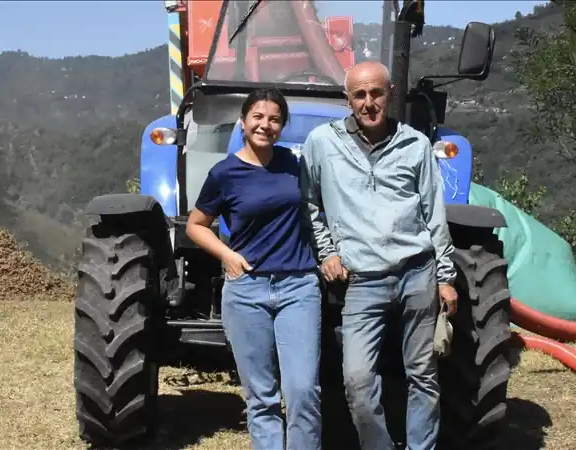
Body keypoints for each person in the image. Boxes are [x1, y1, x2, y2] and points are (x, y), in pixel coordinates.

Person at [298, 60, 458, 450]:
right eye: (360, 95)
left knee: (422, 372)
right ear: (347, 100)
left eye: (377, 93)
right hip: (363, 279)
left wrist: (446, 276)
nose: (369, 103)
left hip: (417, 272)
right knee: (357, 379)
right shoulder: (323, 143)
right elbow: (309, 204)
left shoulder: (416, 144)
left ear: (391, 94)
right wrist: (327, 251)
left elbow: (433, 212)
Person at [185, 87, 322, 449]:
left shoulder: (295, 166)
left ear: (282, 126)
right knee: (261, 397)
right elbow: (196, 225)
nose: (266, 125)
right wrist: (227, 255)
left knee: (303, 390)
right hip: (247, 291)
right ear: (243, 122)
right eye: (258, 117)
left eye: (274, 119)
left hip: (298, 287)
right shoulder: (224, 173)